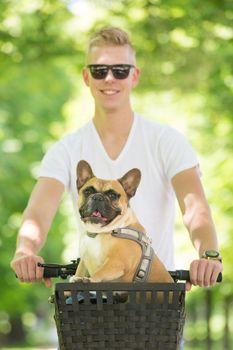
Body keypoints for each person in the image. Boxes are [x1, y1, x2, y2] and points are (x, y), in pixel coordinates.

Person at [11, 26, 222, 294]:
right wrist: (25, 251)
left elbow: (195, 210)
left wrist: (209, 255)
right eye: (100, 70)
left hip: (153, 296)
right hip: (90, 301)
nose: (109, 78)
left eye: (120, 70)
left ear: (134, 76)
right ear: (86, 77)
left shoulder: (166, 141)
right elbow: (38, 213)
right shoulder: (66, 149)